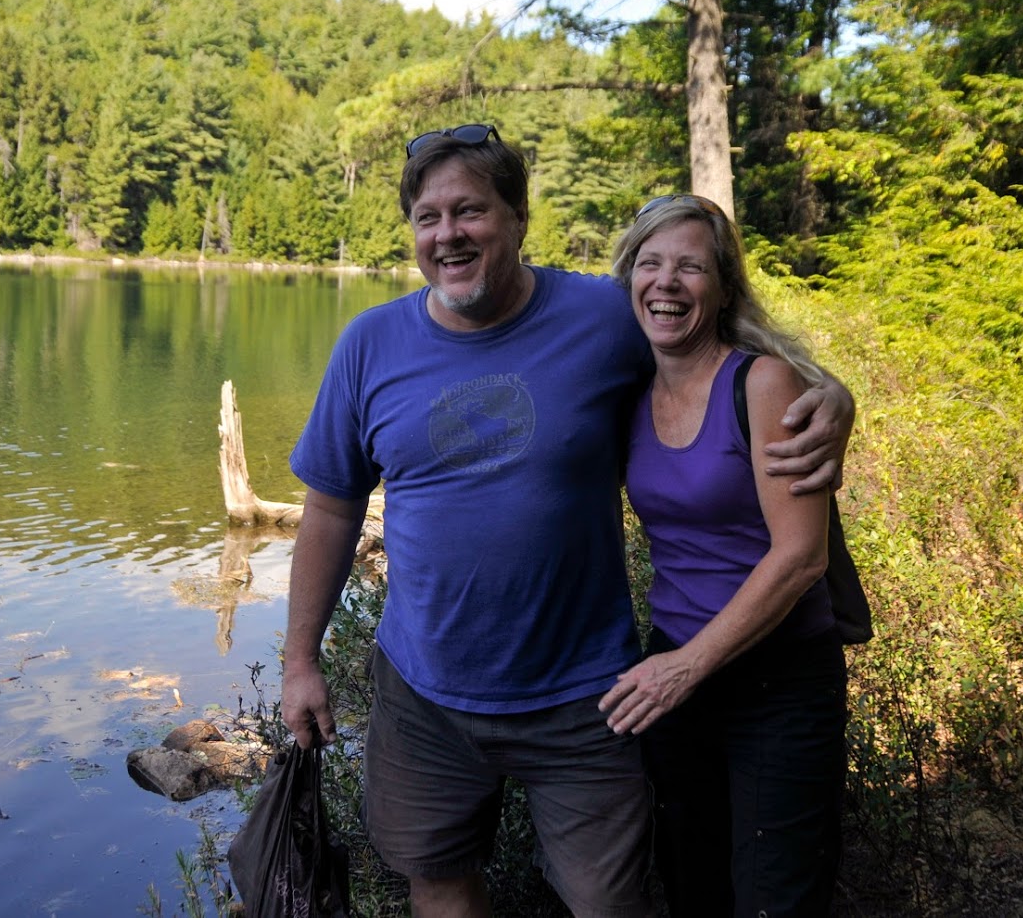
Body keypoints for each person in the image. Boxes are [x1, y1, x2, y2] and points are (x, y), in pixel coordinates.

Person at [281, 124, 852, 918]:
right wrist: (299, 659)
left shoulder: (602, 316)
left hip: (588, 695)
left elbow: (717, 347)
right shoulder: (368, 344)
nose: (448, 233)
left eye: (470, 211)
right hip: (424, 693)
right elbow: (331, 506)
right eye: (427, 216)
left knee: (609, 900)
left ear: (516, 219)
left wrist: (830, 395)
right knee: (438, 879)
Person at [599, 194, 847, 917]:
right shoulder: (627, 393)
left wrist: (686, 666)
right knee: (690, 884)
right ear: (629, 281)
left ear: (723, 286)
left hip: (777, 680)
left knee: (774, 898)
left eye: (689, 267)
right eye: (649, 264)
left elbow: (802, 555)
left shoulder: (761, 381)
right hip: (674, 674)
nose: (666, 282)